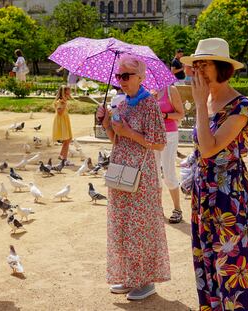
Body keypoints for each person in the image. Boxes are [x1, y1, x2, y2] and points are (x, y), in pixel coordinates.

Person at [180, 38, 248, 309]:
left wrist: (199, 105)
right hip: (204, 191)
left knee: (234, 263)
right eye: (195, 65)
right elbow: (200, 148)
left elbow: (210, 148)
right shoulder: (208, 99)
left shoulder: (240, 106)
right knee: (208, 258)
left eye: (204, 65)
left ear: (222, 67)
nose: (197, 71)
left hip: (228, 194)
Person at [97, 55, 170, 301]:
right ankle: (130, 277)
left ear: (141, 77)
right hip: (120, 170)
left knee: (141, 226)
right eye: (119, 76)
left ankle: (146, 280)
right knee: (124, 224)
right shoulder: (122, 104)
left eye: (126, 76)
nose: (121, 80)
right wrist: (106, 123)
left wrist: (129, 131)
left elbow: (159, 143)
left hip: (142, 173)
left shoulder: (149, 103)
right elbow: (116, 140)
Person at [152, 85, 185, 223]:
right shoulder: (147, 91)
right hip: (152, 135)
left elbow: (181, 113)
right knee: (154, 173)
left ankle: (177, 209)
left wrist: (164, 115)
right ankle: (157, 208)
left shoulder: (170, 90)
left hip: (169, 134)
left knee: (168, 172)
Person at [52, 85, 73, 160]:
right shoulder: (60, 102)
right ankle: (64, 159)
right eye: (67, 93)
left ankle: (62, 156)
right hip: (61, 122)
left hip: (64, 121)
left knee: (68, 139)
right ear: (63, 93)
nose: (69, 95)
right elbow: (59, 112)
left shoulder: (64, 101)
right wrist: (64, 105)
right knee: (67, 140)